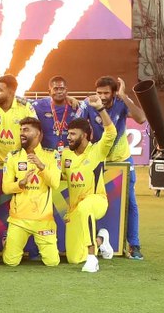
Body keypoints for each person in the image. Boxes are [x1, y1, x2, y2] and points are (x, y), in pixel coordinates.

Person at [80, 76, 147, 260]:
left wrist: (124, 95)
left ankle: (134, 245)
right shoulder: (89, 103)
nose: (102, 97)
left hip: (122, 160)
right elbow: (78, 125)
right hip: (98, 160)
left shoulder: (121, 102)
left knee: (130, 201)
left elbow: (141, 118)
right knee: (91, 200)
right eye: (99, 92)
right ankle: (93, 240)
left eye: (106, 93)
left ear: (114, 92)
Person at [63, 96, 118, 273]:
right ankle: (101, 239)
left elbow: (111, 133)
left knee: (85, 206)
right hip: (75, 209)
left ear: (85, 135)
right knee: (74, 258)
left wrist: (100, 109)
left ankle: (92, 258)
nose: (69, 137)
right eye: (68, 134)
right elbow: (61, 177)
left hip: (97, 200)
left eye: (73, 134)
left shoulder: (97, 150)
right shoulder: (65, 155)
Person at [1, 117, 61, 267]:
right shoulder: (13, 157)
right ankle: (8, 241)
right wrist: (20, 184)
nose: (22, 133)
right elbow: (6, 188)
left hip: (43, 220)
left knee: (52, 263)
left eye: (26, 130)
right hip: (18, 219)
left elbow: (55, 183)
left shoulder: (52, 155)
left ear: (38, 134)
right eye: (21, 130)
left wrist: (41, 167)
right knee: (10, 262)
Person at [0, 75, 37, 162]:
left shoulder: (25, 107)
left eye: (0, 90)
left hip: (18, 162)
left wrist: (30, 155)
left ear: (11, 92)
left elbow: (36, 132)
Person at [32, 76, 81, 151]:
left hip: (69, 153)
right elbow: (22, 101)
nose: (59, 91)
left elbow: (89, 103)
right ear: (49, 92)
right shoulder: (39, 105)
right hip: (46, 153)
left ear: (66, 91)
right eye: (55, 89)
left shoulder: (75, 106)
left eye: (62, 89)